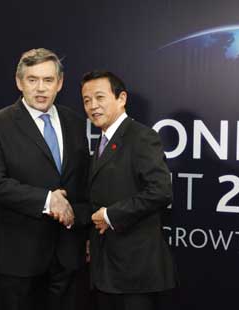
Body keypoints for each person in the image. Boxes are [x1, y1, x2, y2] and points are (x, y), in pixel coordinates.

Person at [0, 48, 90, 310]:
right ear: (19, 82)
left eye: (48, 80)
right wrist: (47, 200)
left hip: (68, 255)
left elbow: (82, 182)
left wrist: (86, 234)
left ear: (59, 84)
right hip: (20, 258)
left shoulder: (74, 121)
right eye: (32, 80)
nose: (40, 88)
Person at [82, 71, 178, 310]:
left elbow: (161, 191)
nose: (93, 106)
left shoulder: (141, 137)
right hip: (105, 268)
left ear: (121, 98)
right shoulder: (101, 141)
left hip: (135, 272)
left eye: (100, 97)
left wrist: (110, 216)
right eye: (86, 100)